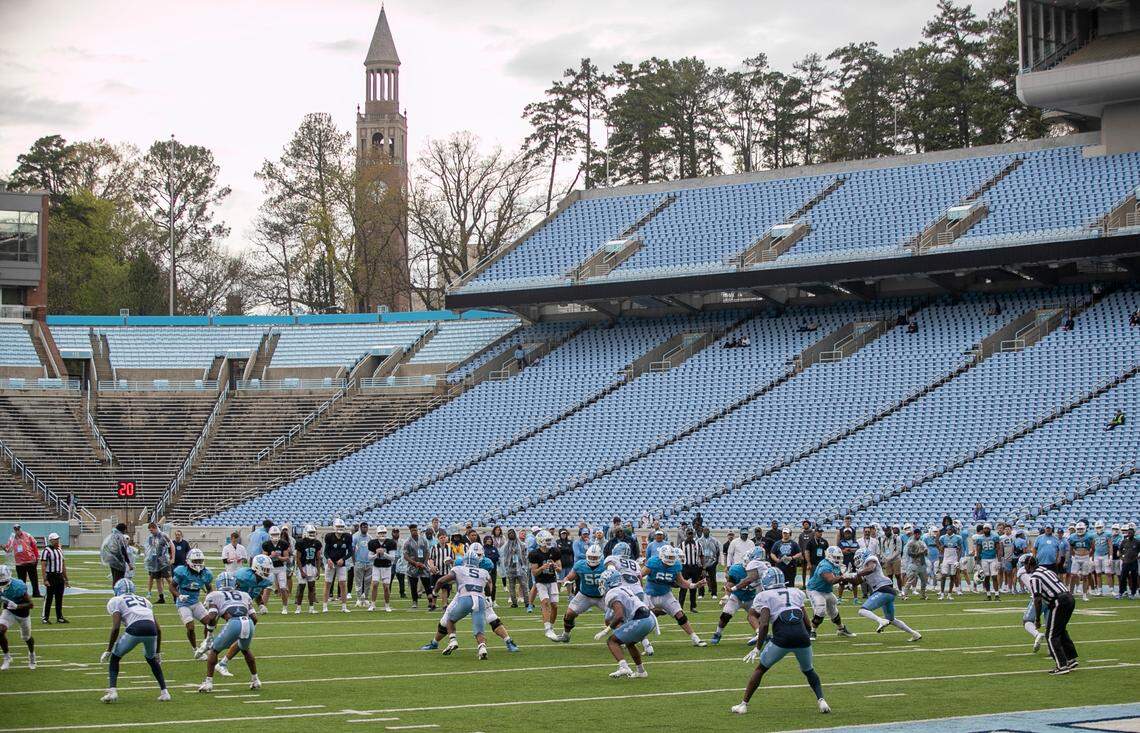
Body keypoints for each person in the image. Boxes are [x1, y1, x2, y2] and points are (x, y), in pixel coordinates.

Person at [732, 567, 830, 715]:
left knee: (761, 669)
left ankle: (743, 704)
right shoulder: (796, 592)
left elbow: (764, 624)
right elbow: (807, 622)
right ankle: (821, 700)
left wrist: (758, 647)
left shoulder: (764, 596)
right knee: (809, 670)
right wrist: (806, 636)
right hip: (802, 637)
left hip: (782, 638)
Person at [421, 544, 519, 658]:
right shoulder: (461, 563)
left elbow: (488, 582)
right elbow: (485, 582)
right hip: (465, 593)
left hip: (477, 593)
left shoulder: (486, 563)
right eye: (476, 555)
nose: (478, 556)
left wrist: (488, 596)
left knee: (492, 618)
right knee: (445, 619)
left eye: (480, 554)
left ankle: (508, 641)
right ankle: (435, 642)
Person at [99, 579, 169, 703]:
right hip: (151, 629)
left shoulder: (116, 600)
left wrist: (109, 650)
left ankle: (112, 691)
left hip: (135, 629)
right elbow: (158, 629)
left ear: (116, 590)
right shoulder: (144, 601)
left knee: (115, 657)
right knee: (151, 659)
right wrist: (157, 652)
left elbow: (115, 627)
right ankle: (165, 692)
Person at [197, 572, 260, 692]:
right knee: (245, 650)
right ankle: (255, 680)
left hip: (234, 622)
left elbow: (211, 616)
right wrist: (247, 630)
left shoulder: (214, 595)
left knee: (214, 650)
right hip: (248, 622)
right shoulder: (244, 594)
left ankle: (208, 683)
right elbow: (255, 618)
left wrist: (209, 635)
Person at [213, 556, 273, 678]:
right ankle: (210, 643)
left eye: (268, 569)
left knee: (247, 632)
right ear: (256, 567)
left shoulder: (263, 580)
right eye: (265, 569)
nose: (267, 572)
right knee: (242, 641)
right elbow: (229, 587)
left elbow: (255, 591)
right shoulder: (243, 576)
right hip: (234, 605)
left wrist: (261, 604)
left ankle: (223, 662)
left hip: (246, 605)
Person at [641, 545, 708, 646]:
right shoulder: (653, 562)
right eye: (668, 558)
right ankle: (641, 641)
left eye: (672, 558)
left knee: (680, 614)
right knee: (642, 618)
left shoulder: (676, 565)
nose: (670, 562)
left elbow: (681, 582)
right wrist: (639, 592)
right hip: (649, 595)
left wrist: (694, 585)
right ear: (661, 556)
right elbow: (639, 576)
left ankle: (695, 638)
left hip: (665, 594)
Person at [851, 549, 921, 642]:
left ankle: (881, 621)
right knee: (891, 619)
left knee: (862, 611)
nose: (857, 561)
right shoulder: (863, 568)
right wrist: (846, 577)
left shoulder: (871, 559)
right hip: (887, 592)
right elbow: (857, 582)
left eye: (858, 558)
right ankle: (914, 634)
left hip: (883, 590)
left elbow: (871, 568)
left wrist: (857, 574)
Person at [596, 568, 654, 679]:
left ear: (609, 582)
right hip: (649, 618)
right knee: (629, 642)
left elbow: (619, 615)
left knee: (612, 641)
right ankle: (641, 671)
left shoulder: (612, 593)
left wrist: (606, 630)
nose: (601, 584)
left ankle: (624, 667)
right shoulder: (624, 588)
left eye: (603, 581)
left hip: (641, 619)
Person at [1024, 555, 1077, 674]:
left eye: (1024, 565)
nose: (1024, 568)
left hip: (1059, 601)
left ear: (1028, 565)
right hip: (1069, 597)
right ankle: (1070, 659)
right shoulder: (1046, 570)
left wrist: (1037, 618)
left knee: (1051, 635)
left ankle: (1061, 666)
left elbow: (1037, 599)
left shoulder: (1035, 578)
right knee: (1061, 630)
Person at [711, 548, 767, 645]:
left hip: (751, 597)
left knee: (759, 617)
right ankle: (718, 633)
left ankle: (760, 634)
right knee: (726, 615)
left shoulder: (761, 570)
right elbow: (730, 584)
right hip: (737, 597)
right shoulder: (736, 569)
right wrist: (726, 595)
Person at [556, 543, 606, 642]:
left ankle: (622, 638)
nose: (592, 559)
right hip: (585, 595)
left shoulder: (606, 565)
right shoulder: (580, 564)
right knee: (569, 613)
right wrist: (566, 580)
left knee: (616, 617)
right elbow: (570, 576)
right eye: (591, 556)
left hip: (603, 596)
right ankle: (566, 635)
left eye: (595, 557)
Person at [805, 546, 856, 640]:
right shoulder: (825, 566)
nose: (838, 560)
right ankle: (812, 631)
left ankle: (841, 629)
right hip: (815, 590)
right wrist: (844, 577)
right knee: (820, 609)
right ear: (829, 556)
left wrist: (849, 578)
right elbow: (831, 580)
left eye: (839, 557)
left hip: (826, 590)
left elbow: (841, 579)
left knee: (833, 609)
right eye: (836, 557)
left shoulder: (835, 565)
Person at [170, 548, 213, 657]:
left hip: (196, 602)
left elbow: (209, 589)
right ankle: (195, 649)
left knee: (210, 622)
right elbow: (172, 587)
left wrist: (208, 599)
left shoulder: (205, 573)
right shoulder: (182, 571)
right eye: (195, 561)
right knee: (190, 627)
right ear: (188, 561)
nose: (198, 564)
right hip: (183, 604)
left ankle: (205, 645)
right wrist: (179, 596)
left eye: (200, 561)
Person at [0, 564, 35, 670]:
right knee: (0, 631)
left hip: (23, 613)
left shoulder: (18, 585)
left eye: (4, 582)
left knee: (27, 637)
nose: (2, 584)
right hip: (8, 611)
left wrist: (17, 606)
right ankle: (7, 657)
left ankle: (32, 655)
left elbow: (31, 604)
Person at [529, 530, 562, 641]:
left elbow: (560, 568)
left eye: (549, 540)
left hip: (552, 580)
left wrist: (555, 567)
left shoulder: (555, 551)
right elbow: (534, 572)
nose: (549, 542)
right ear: (540, 541)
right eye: (547, 540)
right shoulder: (535, 554)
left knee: (555, 606)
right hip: (541, 581)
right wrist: (542, 568)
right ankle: (547, 629)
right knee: (545, 602)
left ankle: (551, 627)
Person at [323, 518, 352, 613]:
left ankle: (344, 607)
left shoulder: (347, 536)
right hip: (331, 563)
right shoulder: (329, 536)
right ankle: (325, 606)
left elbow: (350, 552)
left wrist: (343, 559)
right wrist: (329, 560)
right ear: (334, 527)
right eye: (338, 526)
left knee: (343, 584)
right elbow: (325, 551)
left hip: (341, 564)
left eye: (341, 527)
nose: (340, 528)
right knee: (328, 584)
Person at [366, 525, 397, 612]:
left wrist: (384, 554)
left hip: (387, 567)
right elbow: (369, 557)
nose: (382, 534)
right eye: (380, 533)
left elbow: (393, 558)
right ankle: (372, 604)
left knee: (386, 587)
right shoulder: (373, 543)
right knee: (375, 584)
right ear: (377, 534)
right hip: (376, 566)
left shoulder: (391, 543)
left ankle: (387, 605)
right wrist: (376, 554)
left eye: (383, 533)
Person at [39, 532, 68, 624]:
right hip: (51, 576)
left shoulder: (59, 550)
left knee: (59, 598)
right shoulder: (46, 551)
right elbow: (43, 566)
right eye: (55, 539)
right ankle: (45, 617)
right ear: (51, 540)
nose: (57, 541)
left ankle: (59, 617)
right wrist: (45, 579)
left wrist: (66, 579)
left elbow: (62, 565)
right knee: (49, 598)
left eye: (57, 539)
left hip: (59, 576)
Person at [293, 524, 321, 613]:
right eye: (310, 532)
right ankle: (298, 608)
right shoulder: (300, 543)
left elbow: (318, 558)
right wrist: (301, 571)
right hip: (303, 566)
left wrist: (318, 570)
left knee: (311, 588)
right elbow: (297, 558)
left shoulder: (317, 543)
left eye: (313, 532)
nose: (312, 534)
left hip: (312, 566)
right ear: (305, 532)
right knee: (301, 587)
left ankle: (311, 608)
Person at [6, 524, 40, 598]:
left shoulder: (28, 535)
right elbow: (8, 549)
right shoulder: (12, 538)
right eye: (16, 529)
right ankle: (23, 595)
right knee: (21, 581)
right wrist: (4, 548)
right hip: (19, 563)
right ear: (14, 530)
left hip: (30, 561)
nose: (17, 530)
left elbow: (34, 546)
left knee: (34, 579)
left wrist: (37, 557)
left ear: (20, 528)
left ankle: (36, 593)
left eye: (18, 529)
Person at [143, 522, 173, 604]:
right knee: (158, 579)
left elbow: (171, 545)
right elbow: (150, 549)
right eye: (150, 530)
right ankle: (161, 597)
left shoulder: (163, 535)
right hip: (154, 560)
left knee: (169, 579)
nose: (151, 531)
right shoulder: (150, 538)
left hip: (163, 560)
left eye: (152, 530)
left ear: (156, 528)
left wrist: (172, 557)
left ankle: (176, 596)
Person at [501, 528, 529, 609]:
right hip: (511, 568)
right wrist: (506, 567)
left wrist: (524, 566)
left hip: (521, 568)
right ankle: (514, 603)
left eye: (512, 533)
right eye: (509, 534)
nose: (511, 535)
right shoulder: (506, 546)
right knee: (512, 586)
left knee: (524, 585)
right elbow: (504, 557)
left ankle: (527, 602)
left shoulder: (522, 544)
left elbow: (525, 555)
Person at [1067, 521, 1094, 601]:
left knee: (1085, 576)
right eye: (1078, 529)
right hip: (1077, 557)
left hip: (1085, 557)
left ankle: (1084, 595)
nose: (1080, 530)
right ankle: (1071, 593)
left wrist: (1090, 556)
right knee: (1073, 575)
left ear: (1085, 528)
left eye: (1081, 529)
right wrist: (1072, 556)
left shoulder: (1089, 536)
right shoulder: (1072, 537)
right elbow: (1071, 548)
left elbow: (1093, 547)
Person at [974, 523, 1002, 600]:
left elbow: (998, 549)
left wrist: (999, 560)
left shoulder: (995, 537)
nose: (986, 530)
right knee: (986, 577)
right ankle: (988, 595)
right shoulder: (980, 538)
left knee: (994, 576)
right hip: (984, 559)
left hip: (993, 558)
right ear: (983, 529)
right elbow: (978, 550)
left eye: (987, 528)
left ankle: (996, 595)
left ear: (990, 529)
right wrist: (977, 562)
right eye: (985, 528)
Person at [902, 526, 930, 599]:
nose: (917, 535)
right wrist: (920, 553)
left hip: (922, 563)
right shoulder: (911, 543)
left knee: (924, 581)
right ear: (914, 534)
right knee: (910, 580)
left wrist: (925, 552)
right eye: (916, 534)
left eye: (918, 534)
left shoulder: (922, 542)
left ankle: (923, 595)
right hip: (914, 563)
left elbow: (926, 553)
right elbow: (910, 554)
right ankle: (905, 595)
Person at [351, 522, 372, 609]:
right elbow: (352, 549)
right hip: (359, 562)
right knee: (358, 582)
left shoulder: (370, 537)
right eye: (363, 527)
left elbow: (372, 550)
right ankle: (359, 599)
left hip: (369, 562)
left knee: (367, 582)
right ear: (360, 528)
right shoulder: (355, 537)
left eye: (366, 527)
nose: (365, 529)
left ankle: (366, 598)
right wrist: (354, 561)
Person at [699, 527, 721, 598]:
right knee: (701, 578)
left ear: (709, 531)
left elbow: (718, 551)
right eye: (704, 530)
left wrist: (716, 561)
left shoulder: (714, 540)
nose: (706, 532)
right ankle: (701, 594)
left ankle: (714, 593)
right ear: (702, 531)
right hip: (702, 562)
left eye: (707, 530)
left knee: (713, 579)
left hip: (712, 562)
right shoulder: (699, 541)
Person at [1118, 523, 1138, 599]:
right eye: (1128, 533)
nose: (1130, 534)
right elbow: (1120, 550)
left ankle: (1133, 593)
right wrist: (1121, 557)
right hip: (1125, 562)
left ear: (1134, 533)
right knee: (1123, 577)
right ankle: (1121, 592)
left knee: (1134, 577)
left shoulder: (1137, 542)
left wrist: (1138, 556)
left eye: (1131, 533)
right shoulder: (1124, 541)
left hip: (1134, 562)